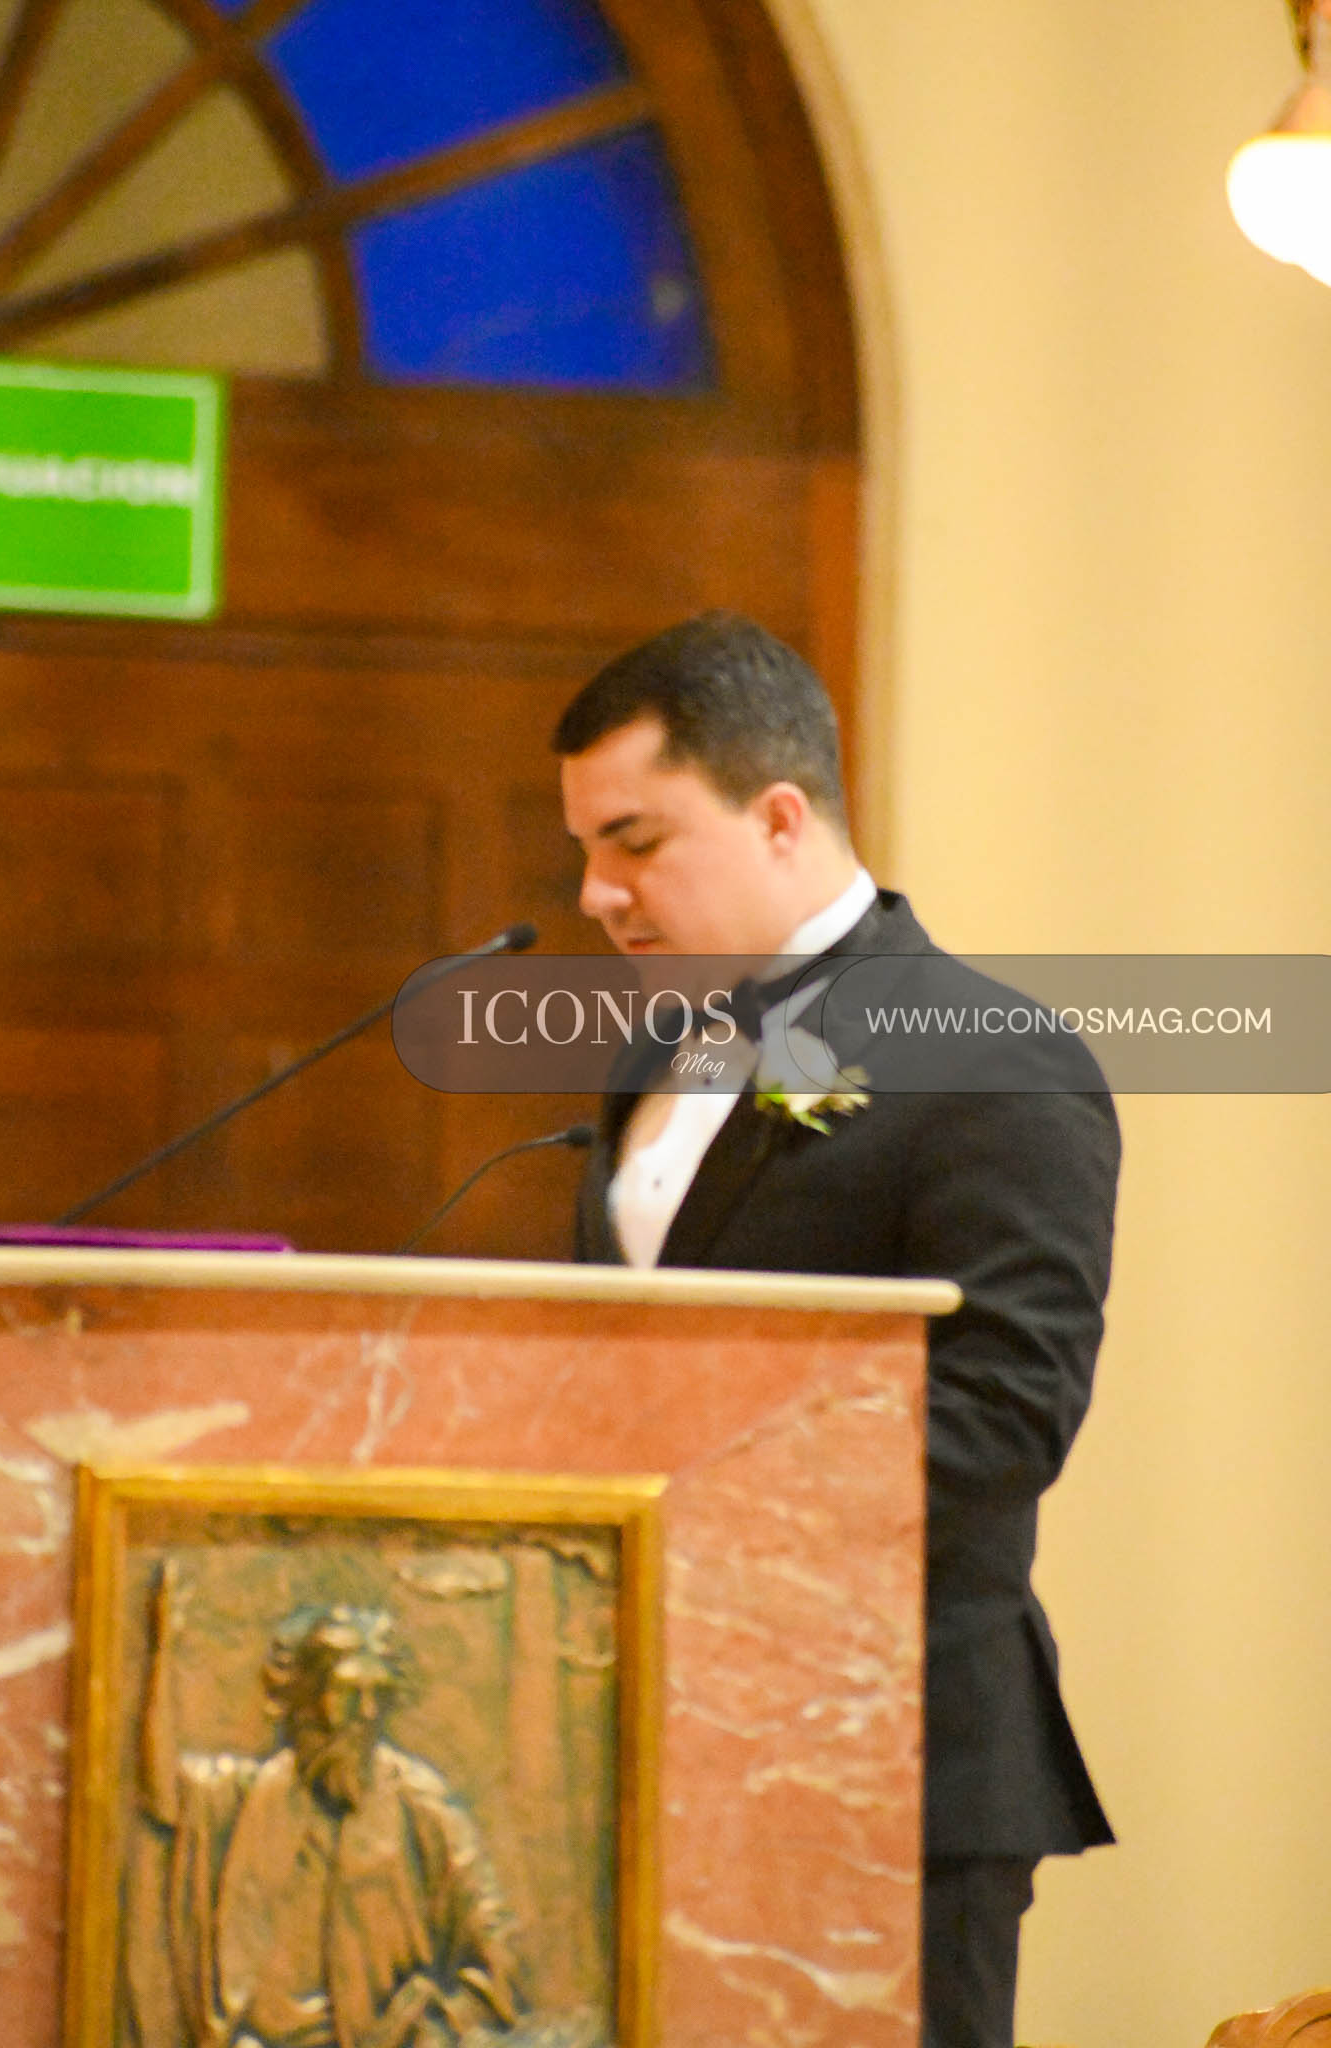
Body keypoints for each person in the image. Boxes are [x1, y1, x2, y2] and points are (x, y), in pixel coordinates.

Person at [552, 611, 1120, 2048]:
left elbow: (1000, 1424)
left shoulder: (994, 1062)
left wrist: (684, 1495)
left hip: (889, 1754)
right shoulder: (657, 1055)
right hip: (641, 1738)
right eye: (586, 850)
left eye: (634, 842)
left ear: (780, 817)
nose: (596, 894)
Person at [131, 1576, 524, 2048]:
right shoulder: (245, 1794)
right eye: (349, 1692)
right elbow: (161, 1792)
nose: (368, 1713)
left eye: (380, 1693)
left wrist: (444, 2025)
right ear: (302, 1697)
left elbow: (498, 1945)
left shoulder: (420, 1805)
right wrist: (162, 1648)